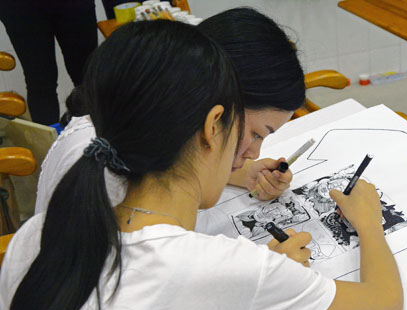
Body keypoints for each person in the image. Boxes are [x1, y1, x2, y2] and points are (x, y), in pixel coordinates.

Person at [0, 20, 403, 310]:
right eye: (251, 134)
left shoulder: (33, 237)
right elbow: (384, 302)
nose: (250, 154)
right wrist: (369, 222)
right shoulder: (231, 272)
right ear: (213, 125)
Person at [35, 7, 304, 215]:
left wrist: (240, 173)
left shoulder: (146, 120)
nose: (254, 153)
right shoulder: (108, 165)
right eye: (257, 134)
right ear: (215, 113)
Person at [0, 0, 98, 125]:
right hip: (20, 7)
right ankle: (51, 137)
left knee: (88, 76)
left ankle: (99, 133)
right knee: (40, 83)